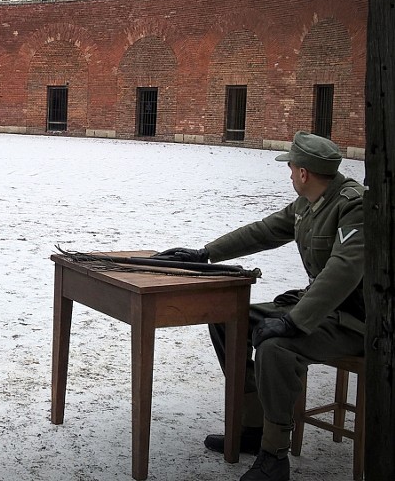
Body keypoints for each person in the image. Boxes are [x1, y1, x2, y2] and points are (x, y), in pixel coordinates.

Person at [155, 131, 364, 481]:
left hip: (353, 320)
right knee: (227, 318)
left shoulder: (352, 205)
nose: (290, 174)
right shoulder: (309, 203)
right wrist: (206, 253)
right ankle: (252, 428)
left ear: (303, 174)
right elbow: (263, 231)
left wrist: (294, 322)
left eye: (292, 168)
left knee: (275, 347)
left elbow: (344, 271)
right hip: (320, 309)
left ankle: (274, 455)